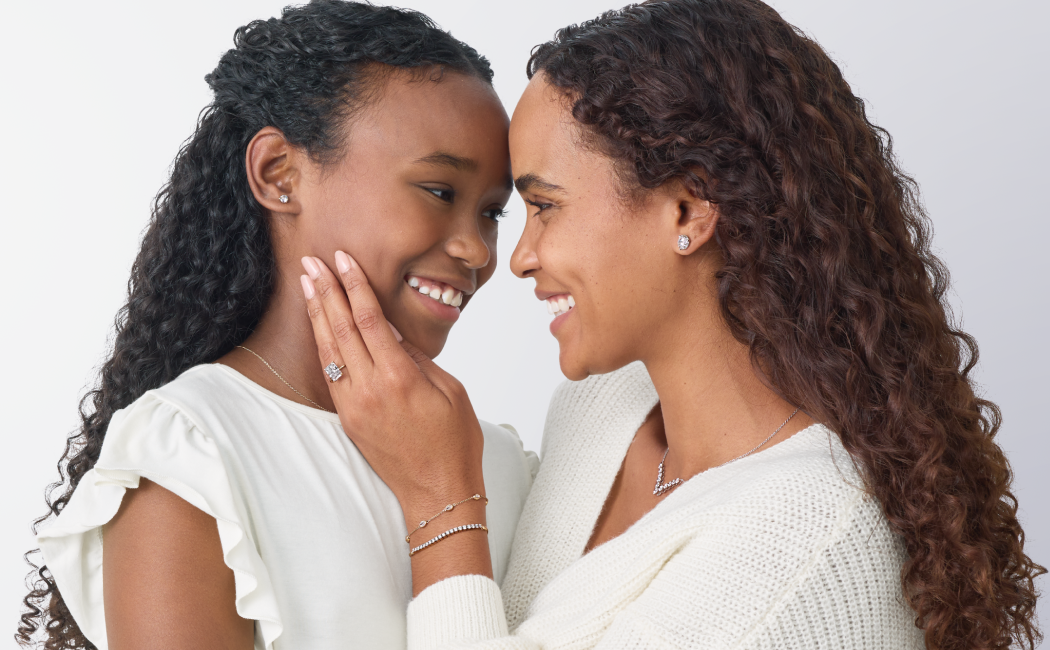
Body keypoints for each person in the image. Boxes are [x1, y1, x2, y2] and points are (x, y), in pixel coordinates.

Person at [298, 0, 1045, 649]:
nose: (518, 258)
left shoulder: (808, 541)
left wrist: (441, 504)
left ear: (688, 211)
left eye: (546, 206)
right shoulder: (603, 407)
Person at [18, 3, 536, 649]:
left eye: (493, 213)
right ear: (278, 174)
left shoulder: (500, 462)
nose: (477, 250)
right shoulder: (194, 458)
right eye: (438, 191)